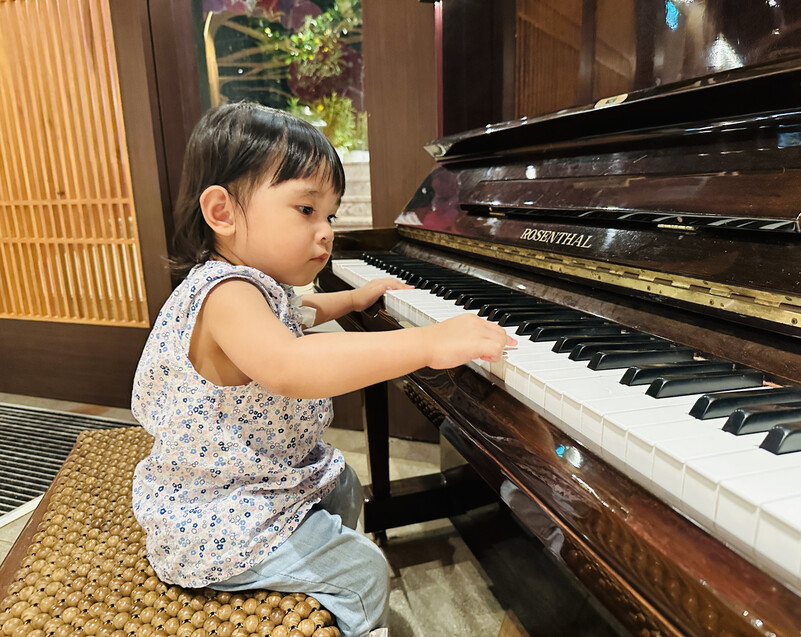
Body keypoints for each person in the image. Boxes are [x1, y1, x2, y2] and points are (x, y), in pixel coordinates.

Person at [131, 101, 515, 637]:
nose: (327, 231)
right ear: (221, 212)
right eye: (306, 210)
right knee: (365, 572)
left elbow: (301, 311)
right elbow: (291, 364)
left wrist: (355, 299)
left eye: (330, 215)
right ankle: (340, 600)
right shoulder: (227, 295)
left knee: (344, 483)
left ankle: (313, 573)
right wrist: (426, 343)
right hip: (219, 511)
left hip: (259, 478)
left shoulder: (254, 287)